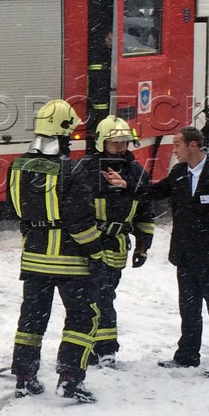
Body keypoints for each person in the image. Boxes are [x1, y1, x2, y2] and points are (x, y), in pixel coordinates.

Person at [7, 99, 106, 402]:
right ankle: (70, 378)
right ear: (64, 133)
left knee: (32, 319)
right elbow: (80, 222)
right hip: (71, 263)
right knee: (81, 318)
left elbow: (15, 209)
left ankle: (25, 377)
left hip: (34, 259)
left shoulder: (18, 166)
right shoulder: (71, 171)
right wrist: (96, 253)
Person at [153, 127, 209, 377]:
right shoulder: (179, 172)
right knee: (189, 307)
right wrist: (126, 185)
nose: (174, 150)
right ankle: (187, 354)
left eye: (178, 145)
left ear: (193, 145)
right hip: (185, 254)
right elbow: (157, 192)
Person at [74, 115, 156, 366]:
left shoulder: (135, 172)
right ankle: (91, 347)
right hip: (88, 245)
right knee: (91, 298)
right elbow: (73, 210)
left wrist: (143, 246)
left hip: (116, 245)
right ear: (101, 142)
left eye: (124, 142)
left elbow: (145, 212)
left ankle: (105, 348)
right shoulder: (85, 169)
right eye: (115, 142)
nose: (120, 147)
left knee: (106, 295)